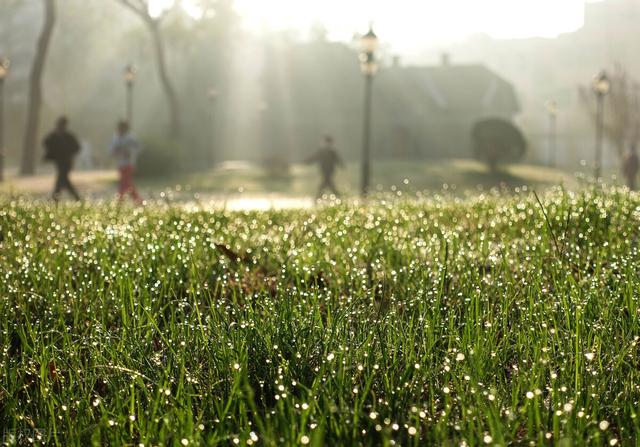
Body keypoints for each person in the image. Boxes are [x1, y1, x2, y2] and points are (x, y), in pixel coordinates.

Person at [43, 116, 82, 201]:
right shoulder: (53, 136)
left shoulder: (69, 137)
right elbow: (46, 143)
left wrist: (68, 151)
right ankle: (76, 198)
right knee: (64, 180)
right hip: (59, 161)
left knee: (61, 178)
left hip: (67, 161)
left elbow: (77, 147)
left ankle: (56, 197)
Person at [109, 120, 142, 203]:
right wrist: (116, 151)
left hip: (129, 164)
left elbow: (138, 148)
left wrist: (130, 152)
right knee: (128, 184)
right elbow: (111, 150)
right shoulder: (116, 138)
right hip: (120, 164)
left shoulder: (130, 138)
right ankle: (139, 201)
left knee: (124, 183)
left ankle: (119, 201)